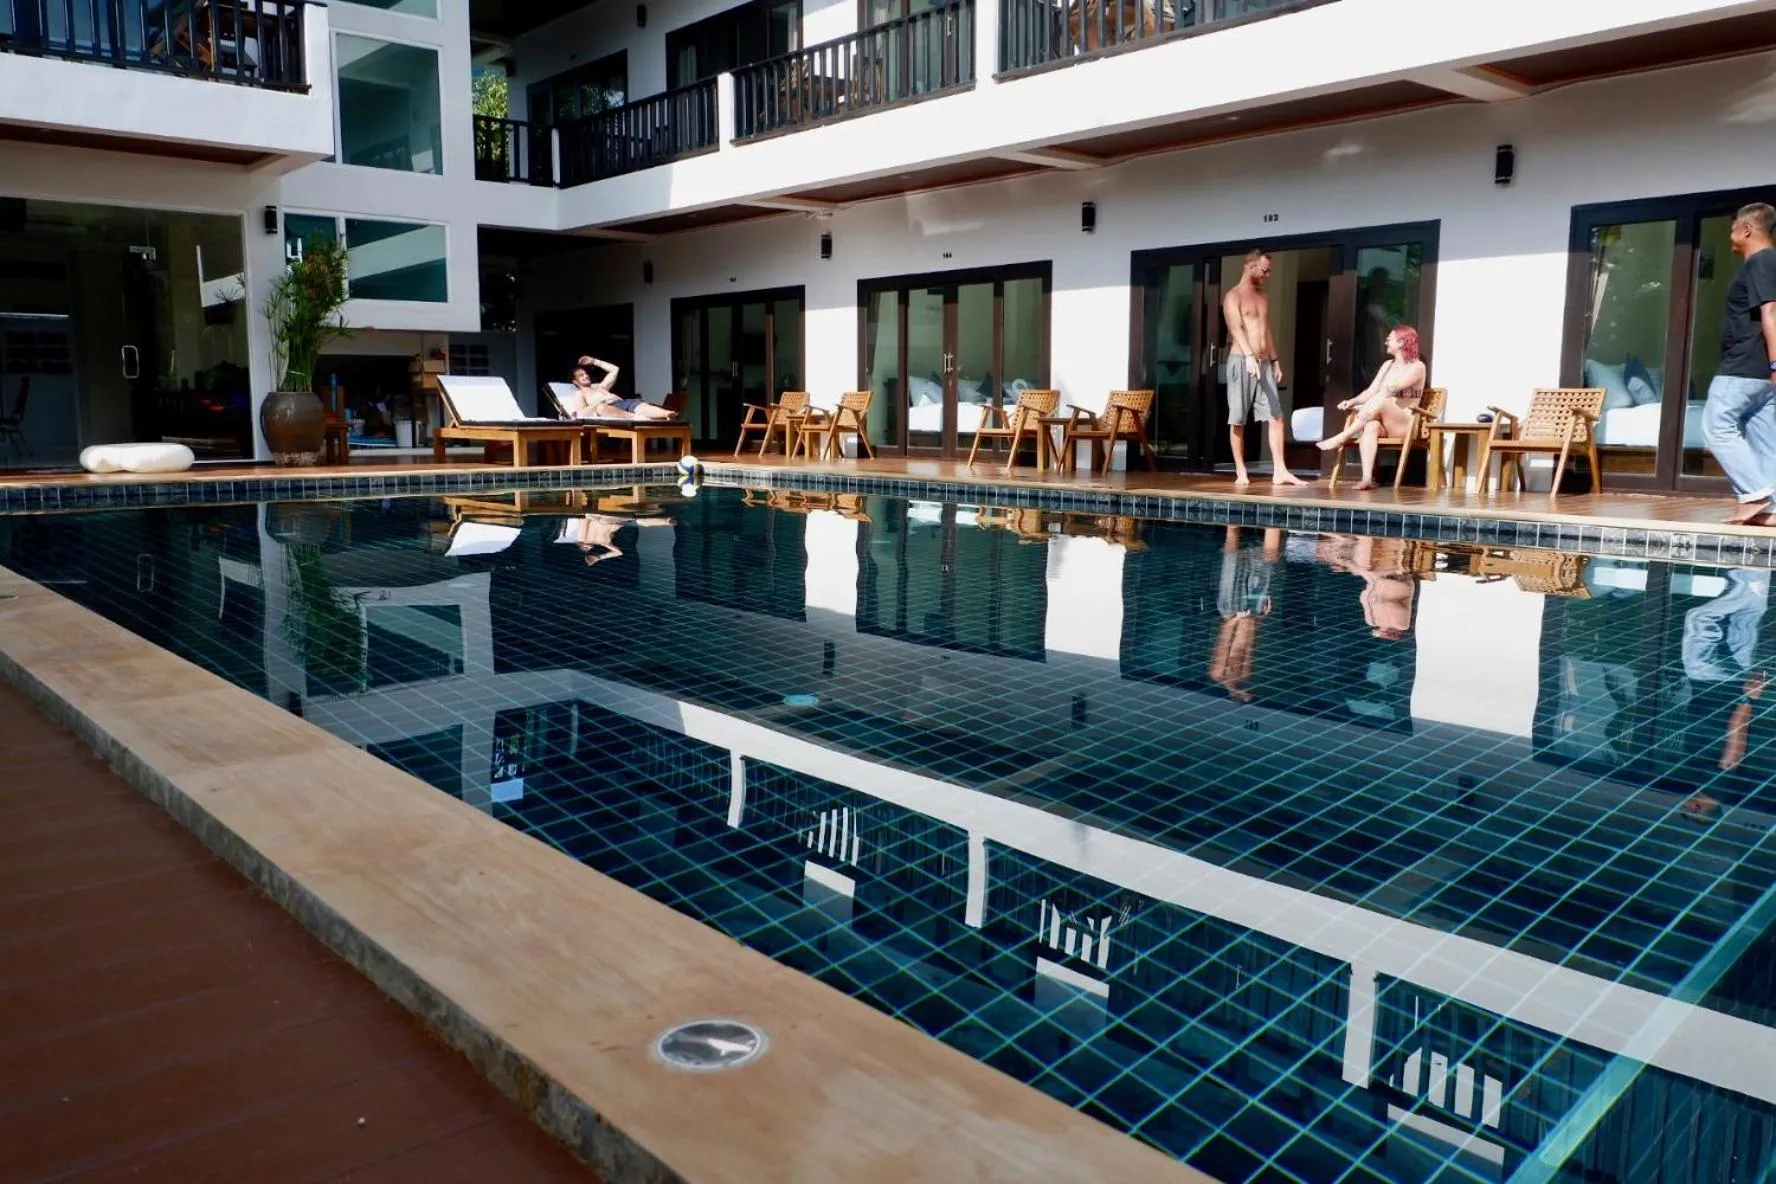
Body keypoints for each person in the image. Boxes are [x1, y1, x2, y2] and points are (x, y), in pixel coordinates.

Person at [1701, 202, 1776, 525]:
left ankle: (1754, 494)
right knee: (1764, 436)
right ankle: (1772, 507)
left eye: (1732, 229)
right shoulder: (1769, 263)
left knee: (1715, 427)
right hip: (1760, 372)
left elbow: (1771, 312)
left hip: (1744, 366)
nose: (1730, 235)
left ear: (1746, 230)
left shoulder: (1761, 262)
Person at [1222, 249, 1303, 487]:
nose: (1268, 275)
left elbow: (1265, 330)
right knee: (1238, 419)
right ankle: (1241, 470)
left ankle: (1280, 470)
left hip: (1263, 363)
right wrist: (1248, 355)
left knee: (1276, 416)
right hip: (1241, 361)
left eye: (1270, 271)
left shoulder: (1263, 297)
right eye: (1265, 270)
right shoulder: (1233, 296)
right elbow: (1235, 327)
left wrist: (1275, 359)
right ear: (1250, 267)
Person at [1316, 326, 1428, 490]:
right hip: (1385, 421)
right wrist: (1353, 401)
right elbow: (1371, 391)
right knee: (1371, 426)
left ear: (1402, 341)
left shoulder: (1417, 367)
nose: (1385, 342)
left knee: (1382, 399)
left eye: (1389, 339)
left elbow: (1392, 388)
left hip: (1405, 423)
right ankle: (1367, 477)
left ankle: (1343, 436)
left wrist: (1369, 403)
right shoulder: (1387, 365)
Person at [1209, 526, 1282, 702]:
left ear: (1235, 696)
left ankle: (1232, 522)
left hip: (1231, 612)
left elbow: (1223, 642)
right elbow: (1250, 644)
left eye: (1245, 696)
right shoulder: (1244, 677)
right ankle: (1274, 520)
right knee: (1267, 562)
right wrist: (1260, 618)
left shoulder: (1218, 674)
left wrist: (1235, 620)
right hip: (1251, 614)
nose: (1249, 693)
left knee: (1231, 560)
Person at [560, 356, 677, 421]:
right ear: (575, 382)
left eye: (585, 373)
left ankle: (667, 414)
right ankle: (635, 417)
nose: (585, 376)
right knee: (601, 408)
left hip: (622, 403)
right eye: (581, 375)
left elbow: (615, 370)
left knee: (640, 406)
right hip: (609, 408)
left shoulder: (600, 387)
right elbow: (582, 413)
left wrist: (594, 361)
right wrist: (598, 402)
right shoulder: (580, 394)